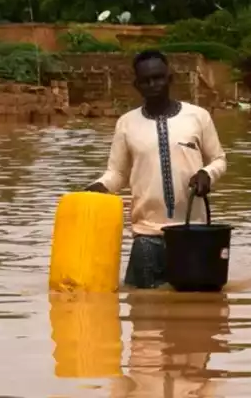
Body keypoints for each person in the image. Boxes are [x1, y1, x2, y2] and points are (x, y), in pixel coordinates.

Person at [86, 50, 228, 289]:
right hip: (146, 236)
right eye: (146, 80)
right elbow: (117, 173)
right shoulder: (126, 124)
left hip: (193, 234)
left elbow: (219, 160)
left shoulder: (198, 117)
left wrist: (207, 173)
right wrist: (99, 187)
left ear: (170, 78)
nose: (153, 84)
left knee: (196, 316)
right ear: (137, 85)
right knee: (142, 311)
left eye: (159, 77)